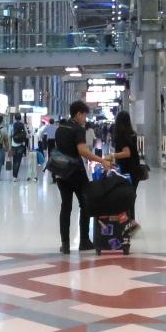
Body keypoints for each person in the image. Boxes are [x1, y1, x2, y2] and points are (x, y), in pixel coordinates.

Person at [55, 101, 110, 253]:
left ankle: (65, 244)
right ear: (78, 114)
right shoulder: (78, 129)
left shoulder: (60, 128)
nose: (85, 119)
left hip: (61, 172)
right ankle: (84, 241)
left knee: (65, 207)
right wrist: (101, 160)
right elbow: (83, 151)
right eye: (84, 115)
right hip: (75, 173)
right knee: (85, 204)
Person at [111, 110, 142, 233]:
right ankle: (131, 221)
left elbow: (126, 153)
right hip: (135, 169)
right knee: (130, 196)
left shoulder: (121, 136)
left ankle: (130, 222)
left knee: (125, 197)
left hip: (126, 171)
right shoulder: (132, 134)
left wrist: (112, 155)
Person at [10, 116, 30, 181]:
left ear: (14, 118)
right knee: (18, 161)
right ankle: (15, 177)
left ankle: (14, 176)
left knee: (14, 160)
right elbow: (27, 135)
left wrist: (9, 146)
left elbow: (9, 135)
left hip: (13, 145)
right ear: (20, 118)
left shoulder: (12, 125)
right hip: (21, 145)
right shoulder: (23, 125)